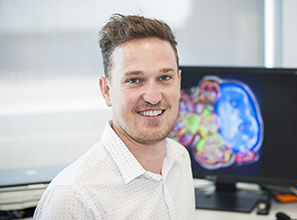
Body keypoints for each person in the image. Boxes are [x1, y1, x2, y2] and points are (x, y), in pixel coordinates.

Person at [34, 14, 196, 219]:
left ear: (179, 82)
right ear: (106, 91)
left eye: (164, 78)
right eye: (135, 80)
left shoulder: (180, 159)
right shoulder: (72, 197)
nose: (153, 97)